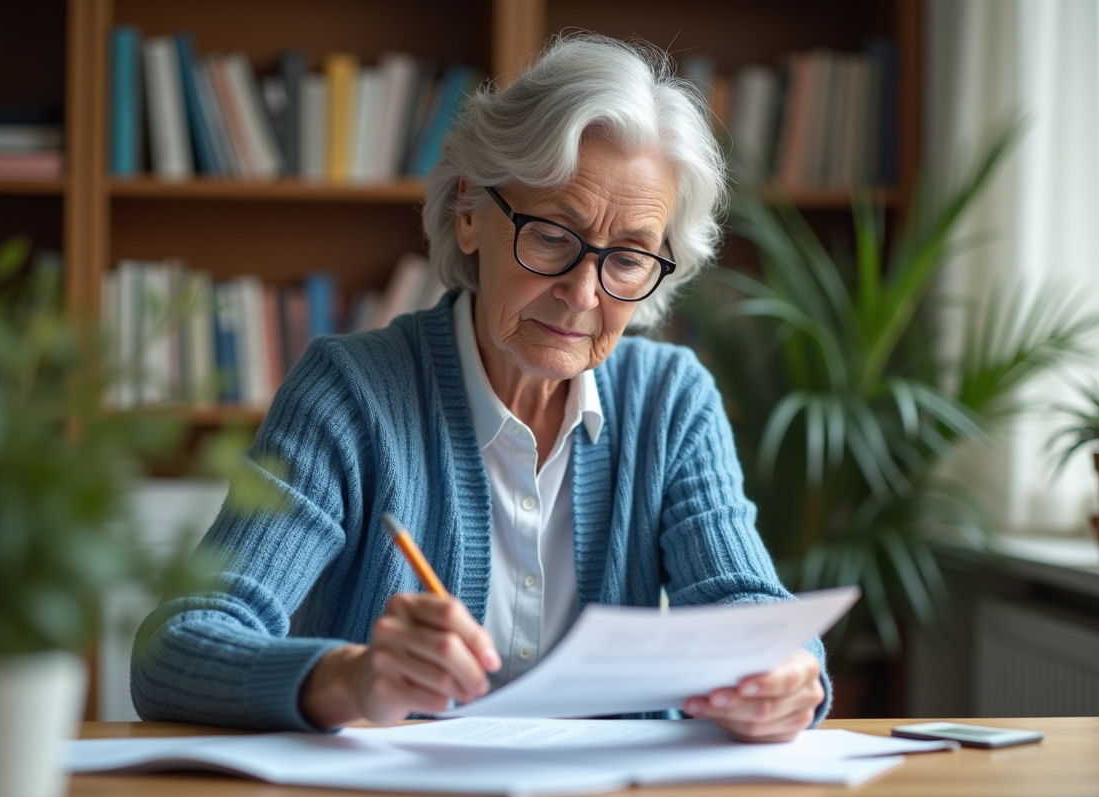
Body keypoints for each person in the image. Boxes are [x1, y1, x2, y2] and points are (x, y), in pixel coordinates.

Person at [132, 33, 830, 743]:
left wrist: (788, 674)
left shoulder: (672, 402)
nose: (583, 295)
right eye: (554, 236)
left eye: (626, 258)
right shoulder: (350, 394)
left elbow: (747, 609)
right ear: (470, 212)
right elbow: (177, 646)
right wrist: (349, 679)